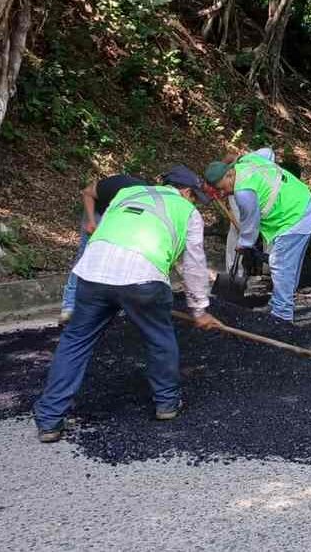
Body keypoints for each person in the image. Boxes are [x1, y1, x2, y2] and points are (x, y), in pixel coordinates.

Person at [34, 166, 215, 443]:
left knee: (75, 341)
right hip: (143, 279)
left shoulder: (127, 193)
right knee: (159, 339)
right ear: (187, 192)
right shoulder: (187, 211)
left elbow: (97, 208)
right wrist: (200, 309)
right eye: (194, 197)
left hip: (92, 273)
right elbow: (193, 265)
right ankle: (166, 404)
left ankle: (49, 421)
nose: (193, 202)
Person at [204, 151, 311, 325]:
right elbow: (269, 152)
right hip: (304, 205)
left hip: (294, 217)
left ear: (230, 173)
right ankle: (278, 304)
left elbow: (251, 223)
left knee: (280, 265)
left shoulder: (243, 192)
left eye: (223, 188)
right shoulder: (247, 160)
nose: (223, 193)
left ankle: (282, 317)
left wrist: (244, 243)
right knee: (288, 265)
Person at [59, 174, 147, 326]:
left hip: (115, 219)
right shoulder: (116, 185)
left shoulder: (147, 201)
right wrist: (92, 221)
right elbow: (87, 192)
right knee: (85, 257)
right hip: (96, 214)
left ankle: (115, 304)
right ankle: (69, 306)